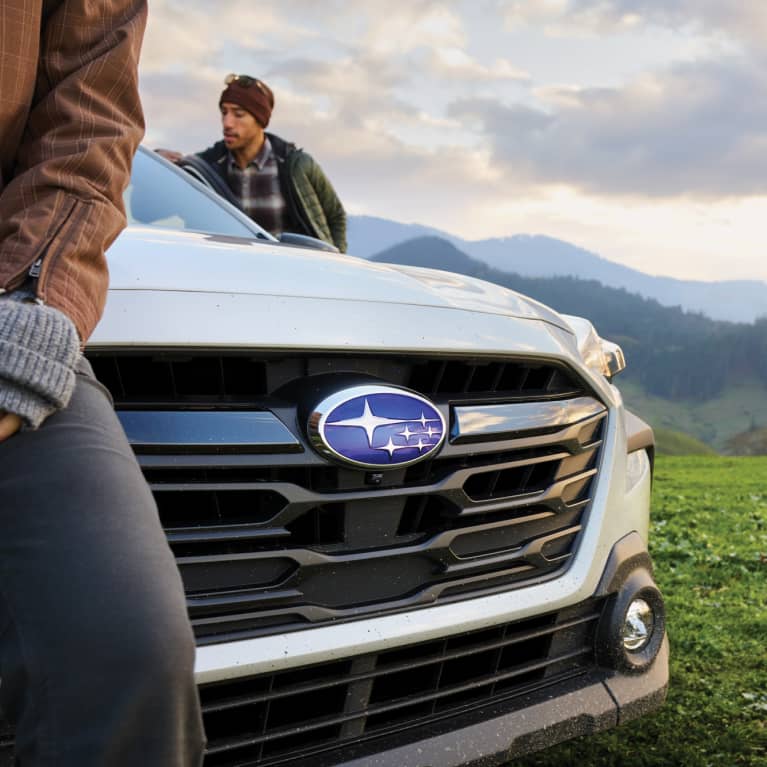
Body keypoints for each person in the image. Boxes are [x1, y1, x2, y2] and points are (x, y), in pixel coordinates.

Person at [0, 2, 205, 765]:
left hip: (14, 308)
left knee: (127, 648)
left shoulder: (287, 165)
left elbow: (87, 131)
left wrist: (24, 318)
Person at [158, 74, 347, 251]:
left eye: (238, 114)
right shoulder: (205, 168)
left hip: (293, 276)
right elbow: (153, 209)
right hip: (231, 276)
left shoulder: (296, 166)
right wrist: (161, 166)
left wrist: (337, 259)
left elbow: (336, 215)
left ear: (260, 120)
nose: (227, 123)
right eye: (224, 113)